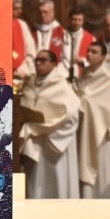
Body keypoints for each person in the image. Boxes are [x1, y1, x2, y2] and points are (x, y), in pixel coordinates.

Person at [18, 50, 81, 198]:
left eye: (43, 60)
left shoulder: (62, 85)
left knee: (55, 181)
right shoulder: (30, 83)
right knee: (34, 183)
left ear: (54, 64)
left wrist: (44, 128)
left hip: (53, 142)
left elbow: (72, 115)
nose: (38, 63)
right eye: (36, 61)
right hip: (34, 140)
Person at [77, 41, 110, 199]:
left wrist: (109, 126)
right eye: (88, 51)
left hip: (103, 137)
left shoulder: (109, 80)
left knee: (102, 173)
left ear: (103, 57)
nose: (89, 54)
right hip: (83, 134)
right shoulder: (83, 77)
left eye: (94, 52)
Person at [61, 7, 94, 76]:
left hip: (81, 76)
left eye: (79, 20)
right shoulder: (61, 35)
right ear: (69, 19)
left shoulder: (90, 38)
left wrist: (82, 61)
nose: (76, 23)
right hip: (62, 74)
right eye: (74, 20)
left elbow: (94, 62)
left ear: (83, 21)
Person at [11, 0, 37, 82]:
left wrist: (24, 70)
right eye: (16, 8)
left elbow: (31, 51)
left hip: (22, 72)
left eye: (20, 8)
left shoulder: (22, 25)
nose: (20, 11)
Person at [35, 0, 64, 66]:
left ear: (52, 13)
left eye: (45, 12)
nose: (42, 15)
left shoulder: (62, 33)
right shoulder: (31, 31)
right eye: (40, 12)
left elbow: (66, 57)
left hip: (55, 71)